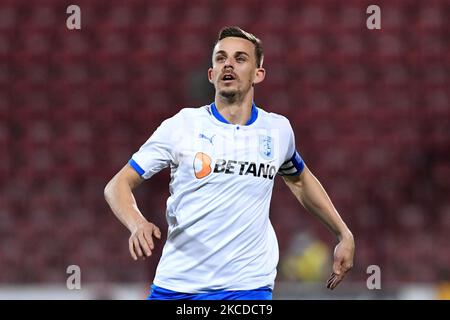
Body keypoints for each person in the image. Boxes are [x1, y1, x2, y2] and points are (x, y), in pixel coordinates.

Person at [104, 26, 355, 300]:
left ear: (258, 74)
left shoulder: (277, 130)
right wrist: (137, 223)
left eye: (240, 58)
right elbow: (117, 184)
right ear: (211, 74)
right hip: (179, 285)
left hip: (248, 287)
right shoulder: (181, 126)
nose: (229, 64)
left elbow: (299, 179)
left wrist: (343, 233)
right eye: (221, 58)